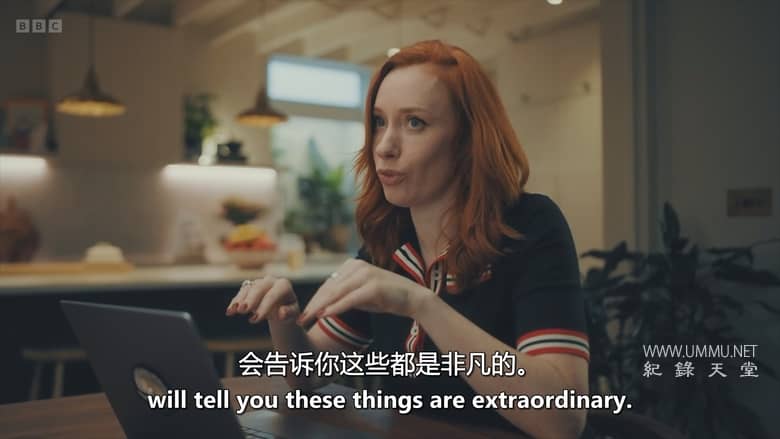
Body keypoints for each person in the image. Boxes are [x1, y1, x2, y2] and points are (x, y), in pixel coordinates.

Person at [226, 40, 591, 439]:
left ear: (469, 141)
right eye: (379, 122)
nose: (384, 146)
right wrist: (285, 320)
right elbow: (309, 374)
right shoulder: (389, 239)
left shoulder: (530, 225)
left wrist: (420, 304)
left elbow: (562, 420)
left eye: (415, 123)